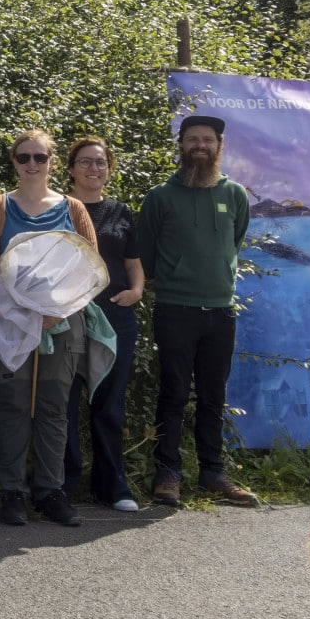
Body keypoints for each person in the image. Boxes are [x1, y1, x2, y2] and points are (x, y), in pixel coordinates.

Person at [0, 130, 98, 528]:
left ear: (51, 162)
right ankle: (11, 492)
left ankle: (50, 492)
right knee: (12, 405)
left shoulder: (73, 207)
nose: (31, 163)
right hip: (9, 321)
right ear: (14, 162)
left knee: (53, 408)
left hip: (61, 322)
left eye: (39, 157)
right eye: (23, 157)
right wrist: (14, 304)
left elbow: (90, 267)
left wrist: (55, 310)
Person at [136, 115, 258, 508]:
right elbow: (146, 253)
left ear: (219, 146)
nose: (200, 146)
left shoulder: (235, 194)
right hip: (175, 309)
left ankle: (213, 473)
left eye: (207, 139)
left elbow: (234, 241)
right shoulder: (160, 196)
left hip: (220, 311)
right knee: (172, 394)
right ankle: (167, 474)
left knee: (212, 396)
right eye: (192, 140)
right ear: (182, 146)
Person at [62, 137, 146, 511]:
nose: (93, 169)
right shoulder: (58, 209)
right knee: (62, 404)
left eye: (100, 163)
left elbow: (133, 262)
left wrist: (137, 291)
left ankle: (112, 488)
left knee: (109, 405)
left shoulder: (121, 212)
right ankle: (60, 486)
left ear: (109, 170)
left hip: (115, 317)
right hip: (66, 317)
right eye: (85, 162)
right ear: (70, 169)